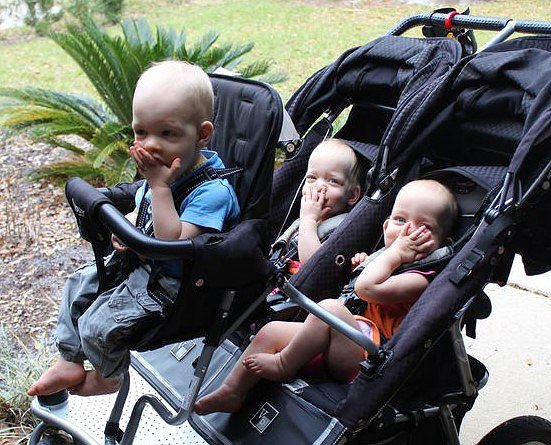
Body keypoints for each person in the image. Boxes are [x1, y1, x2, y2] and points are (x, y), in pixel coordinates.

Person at [28, 61, 241, 397]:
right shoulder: (166, 171)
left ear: (202, 134)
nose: (150, 144)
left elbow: (172, 243)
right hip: (140, 265)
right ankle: (70, 358)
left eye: (167, 134)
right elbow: (143, 205)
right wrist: (128, 224)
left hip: (172, 287)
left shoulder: (211, 192)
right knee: (78, 284)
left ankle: (109, 376)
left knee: (99, 324)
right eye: (141, 132)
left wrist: (159, 188)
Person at [194, 179, 457, 415]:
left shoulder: (421, 279)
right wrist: (367, 262)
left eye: (423, 227)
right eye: (400, 220)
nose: (407, 233)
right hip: (350, 338)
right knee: (271, 331)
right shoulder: (387, 259)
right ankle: (232, 391)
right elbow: (365, 283)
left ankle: (284, 364)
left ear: (443, 243)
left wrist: (394, 254)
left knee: (330, 309)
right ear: (386, 225)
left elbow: (366, 288)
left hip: (369, 360)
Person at [273, 138, 364, 276]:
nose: (319, 186)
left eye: (332, 181)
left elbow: (313, 267)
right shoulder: (302, 220)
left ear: (352, 195)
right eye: (312, 177)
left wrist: (308, 220)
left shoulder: (343, 231)